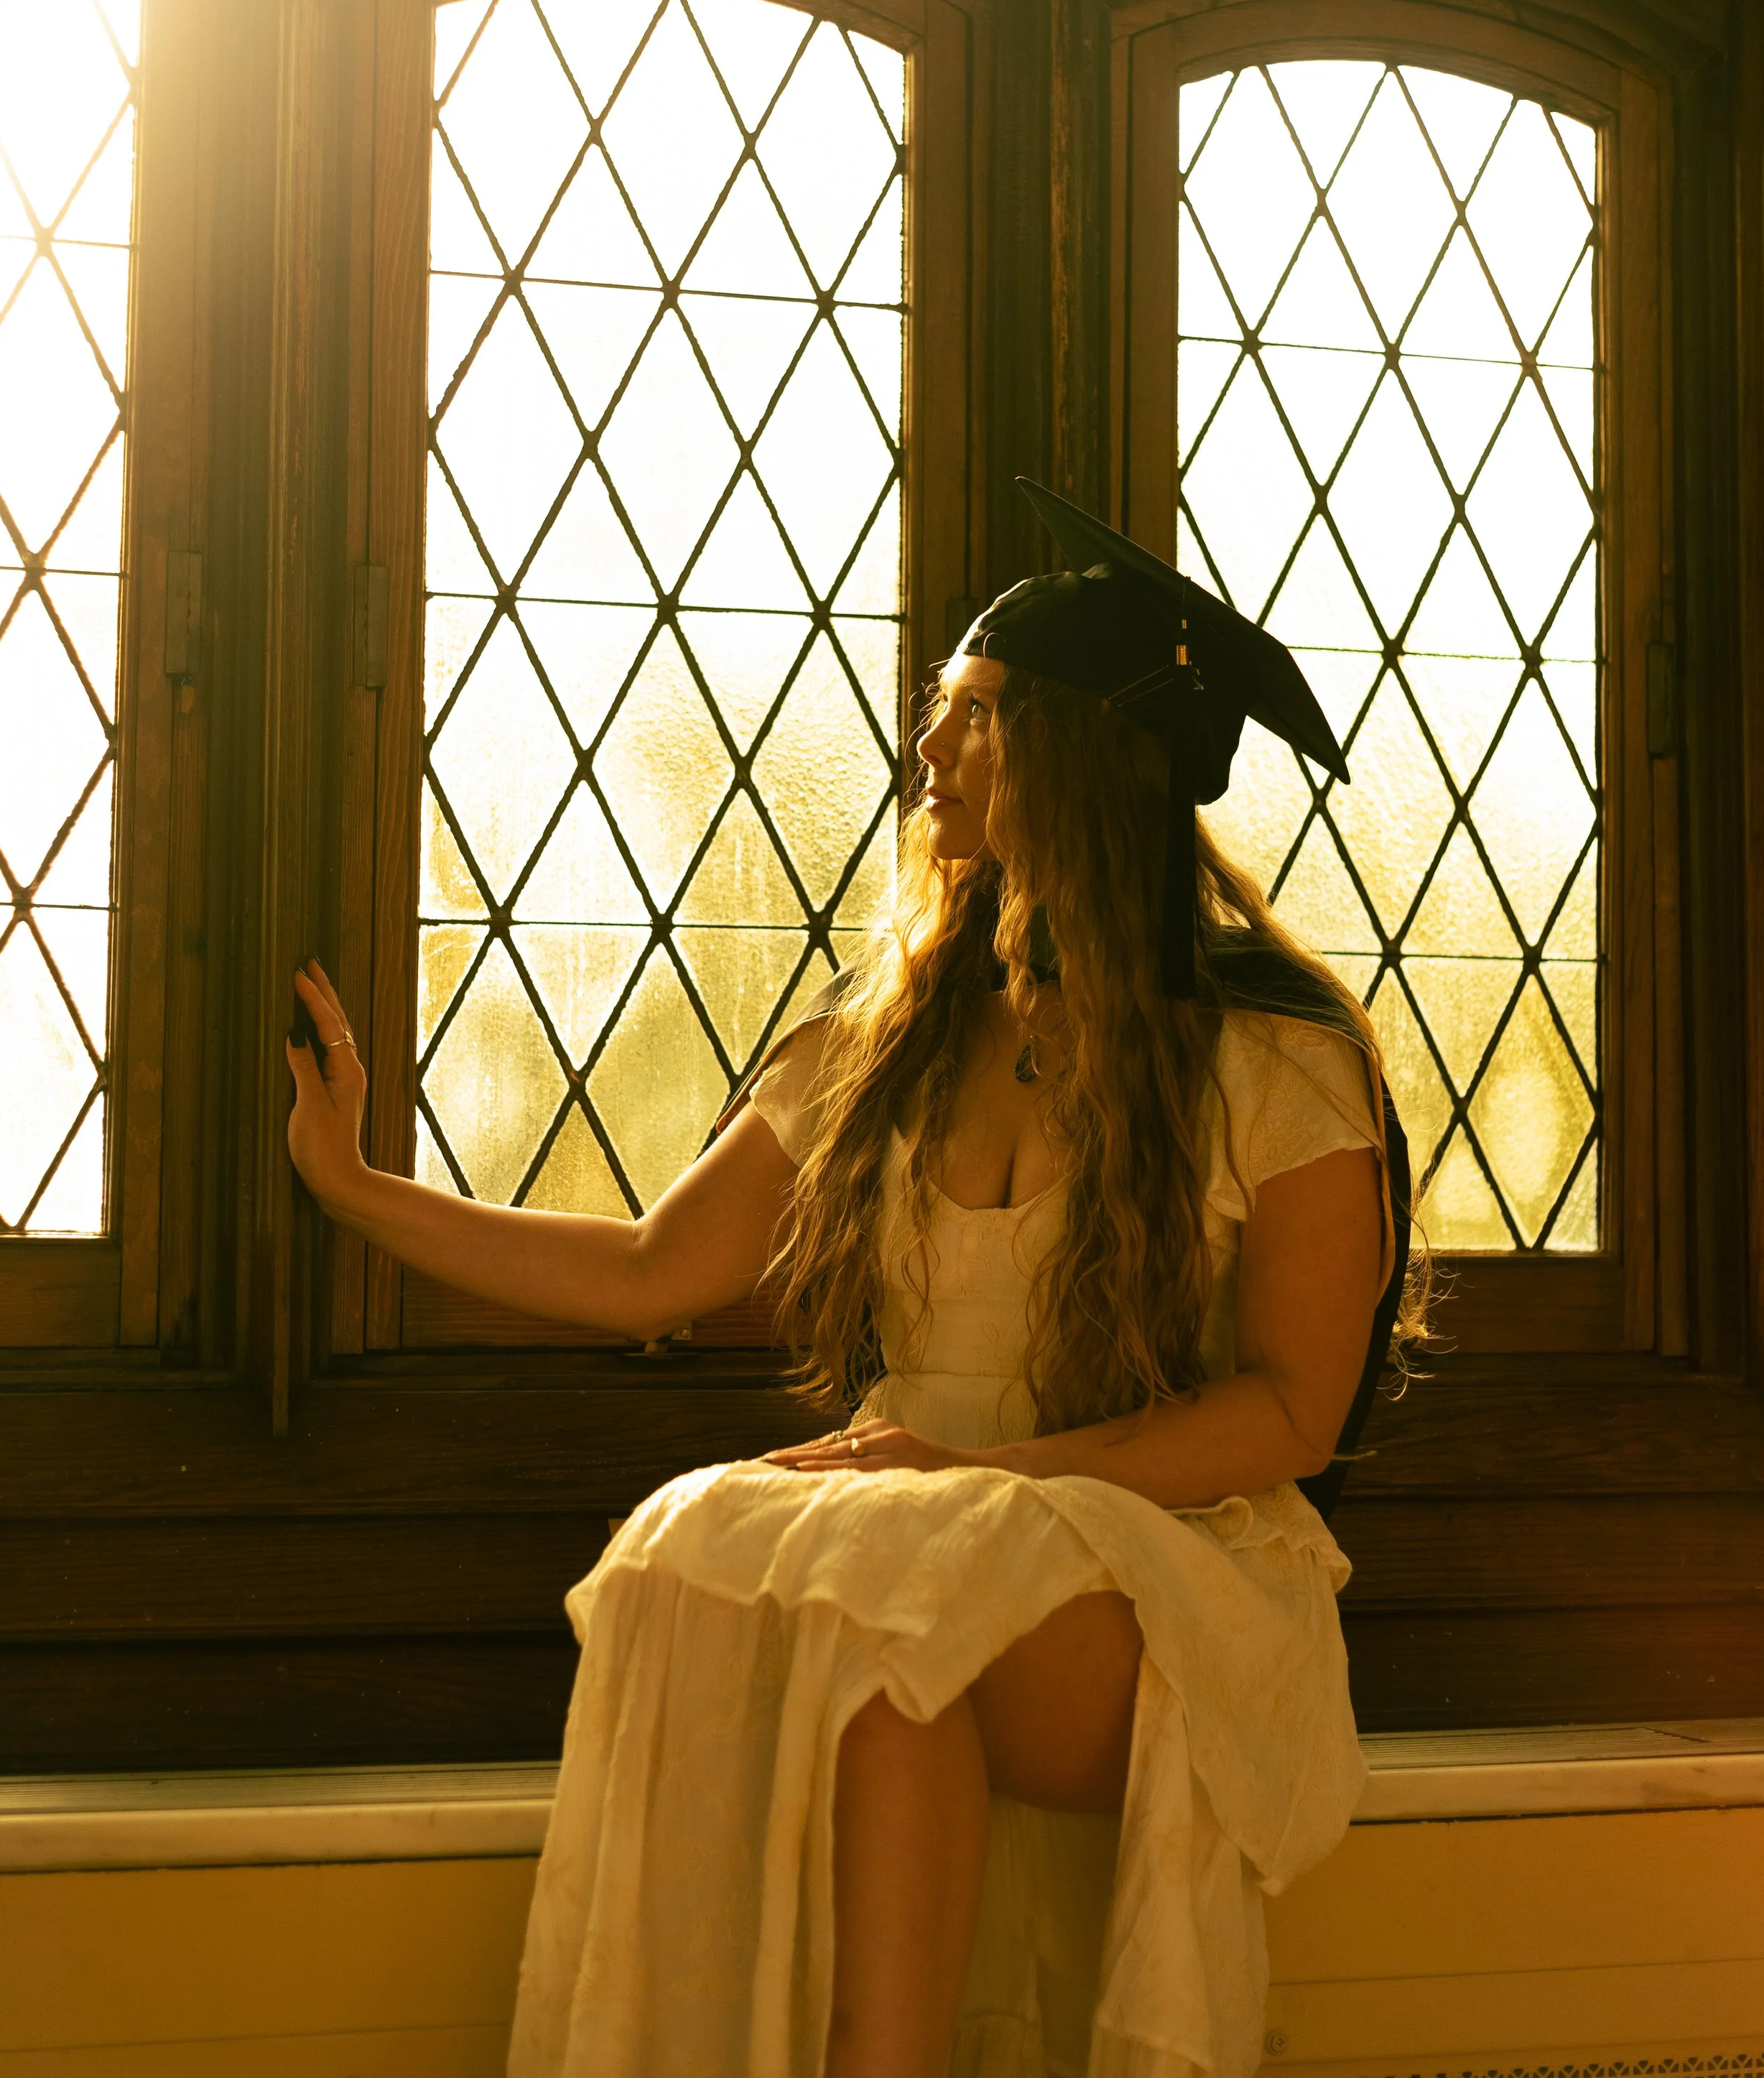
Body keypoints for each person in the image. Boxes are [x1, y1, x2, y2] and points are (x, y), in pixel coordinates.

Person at [287, 481, 1416, 2078]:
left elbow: (1293, 1413)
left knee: (893, 1589)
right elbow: (648, 1268)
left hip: (1171, 1564)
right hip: (917, 1536)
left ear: (1084, 756)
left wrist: (988, 1476)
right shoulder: (880, 1042)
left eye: (971, 718)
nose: (927, 754)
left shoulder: (1271, 1063)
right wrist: (354, 1188)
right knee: (692, 1544)